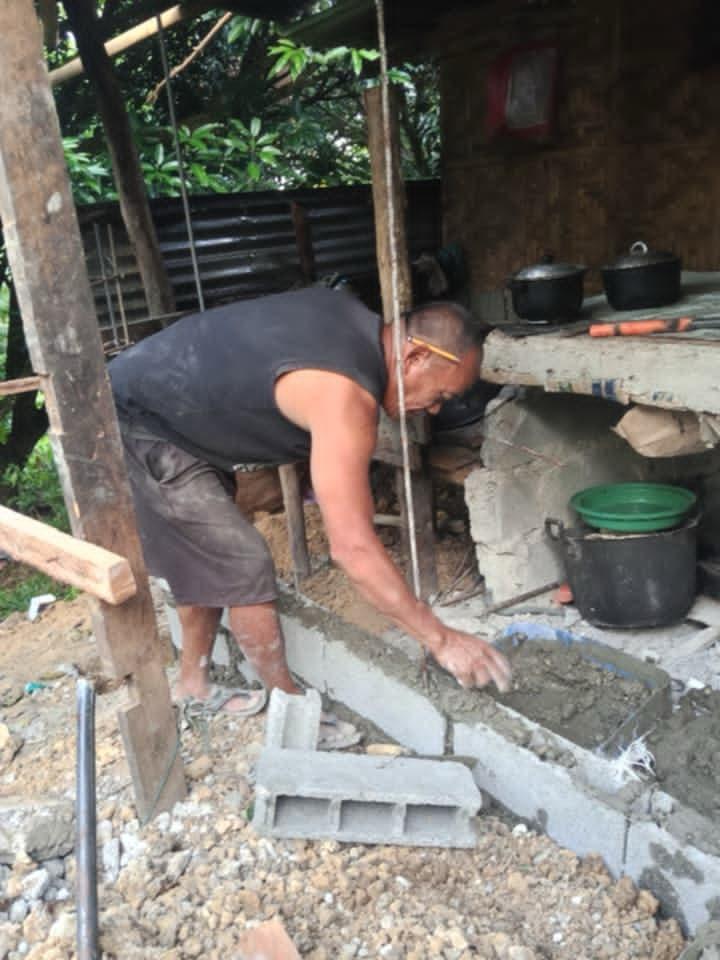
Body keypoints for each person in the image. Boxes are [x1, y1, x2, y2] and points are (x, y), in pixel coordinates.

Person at [109, 286, 512, 729]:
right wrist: (442, 639)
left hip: (165, 410)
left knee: (209, 554)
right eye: (439, 395)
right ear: (414, 358)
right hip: (134, 419)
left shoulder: (348, 315)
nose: (432, 410)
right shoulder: (346, 394)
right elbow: (352, 548)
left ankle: (192, 685)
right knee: (243, 564)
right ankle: (293, 712)